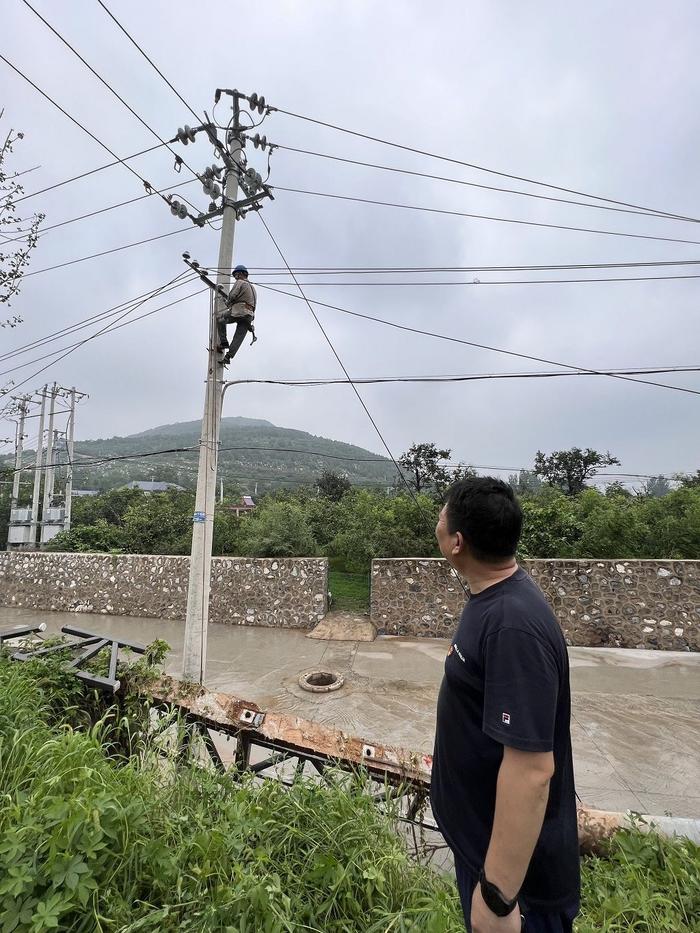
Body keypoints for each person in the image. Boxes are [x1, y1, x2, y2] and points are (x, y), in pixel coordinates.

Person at [430, 477, 580, 933]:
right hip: (484, 851)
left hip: (518, 892)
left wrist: (497, 896)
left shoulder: (513, 625)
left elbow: (532, 771)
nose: (436, 520)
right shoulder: (492, 597)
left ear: (457, 542)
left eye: (442, 514)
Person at [217, 264, 257, 365]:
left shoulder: (240, 282)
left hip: (239, 310)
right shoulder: (253, 288)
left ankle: (224, 342)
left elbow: (232, 295)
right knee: (238, 337)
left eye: (237, 274)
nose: (236, 277)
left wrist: (227, 303)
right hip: (249, 315)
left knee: (220, 319)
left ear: (242, 274)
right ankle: (228, 357)